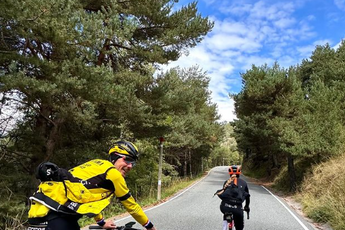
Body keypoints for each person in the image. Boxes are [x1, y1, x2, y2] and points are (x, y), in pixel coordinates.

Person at [27, 140, 157, 230]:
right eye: (127, 160)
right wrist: (150, 227)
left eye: (132, 163)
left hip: (43, 213)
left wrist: (101, 222)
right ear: (115, 157)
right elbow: (132, 206)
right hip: (55, 215)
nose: (129, 166)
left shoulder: (97, 165)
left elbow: (88, 199)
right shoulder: (112, 174)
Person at [215, 165, 250, 230]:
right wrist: (246, 206)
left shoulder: (227, 182)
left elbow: (224, 194)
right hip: (237, 209)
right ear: (239, 173)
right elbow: (247, 196)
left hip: (224, 207)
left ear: (230, 173)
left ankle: (224, 226)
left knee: (226, 212)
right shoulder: (244, 183)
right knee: (239, 226)